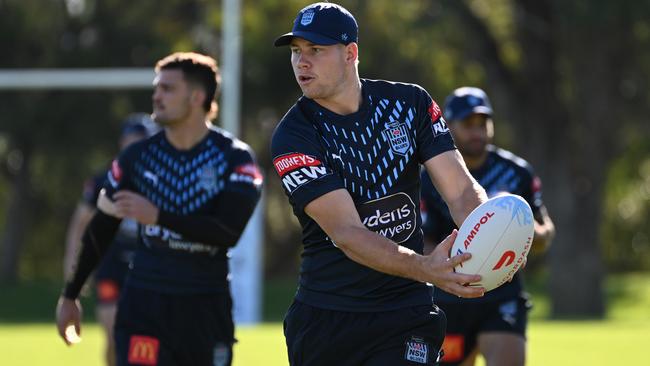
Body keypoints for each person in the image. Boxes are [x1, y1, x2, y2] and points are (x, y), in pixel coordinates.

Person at [271, 3, 489, 365]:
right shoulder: (294, 136)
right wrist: (425, 267)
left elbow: (462, 191)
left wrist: (492, 232)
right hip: (328, 316)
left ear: (350, 53)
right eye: (296, 52)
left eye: (316, 50)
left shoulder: (410, 104)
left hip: (407, 312)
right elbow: (346, 233)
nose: (301, 62)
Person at [56, 52, 263, 366]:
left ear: (196, 97)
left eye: (167, 89)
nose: (156, 95)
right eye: (157, 88)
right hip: (145, 303)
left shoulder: (235, 159)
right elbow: (102, 226)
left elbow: (227, 231)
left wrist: (158, 217)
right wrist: (70, 294)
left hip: (205, 307)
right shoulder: (135, 158)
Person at [420, 87, 555, 366]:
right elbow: (423, 238)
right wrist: (450, 265)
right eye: (468, 124)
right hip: (450, 295)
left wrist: (519, 234)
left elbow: (545, 230)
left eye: (483, 123)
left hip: (502, 293)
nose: (477, 131)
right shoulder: (429, 176)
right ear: (449, 126)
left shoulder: (517, 172)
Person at [62, 114, 153, 366]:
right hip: (111, 263)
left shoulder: (162, 177)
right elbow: (81, 221)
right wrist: (73, 266)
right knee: (114, 335)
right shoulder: (106, 179)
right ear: (122, 142)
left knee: (146, 339)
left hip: (147, 264)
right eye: (131, 141)